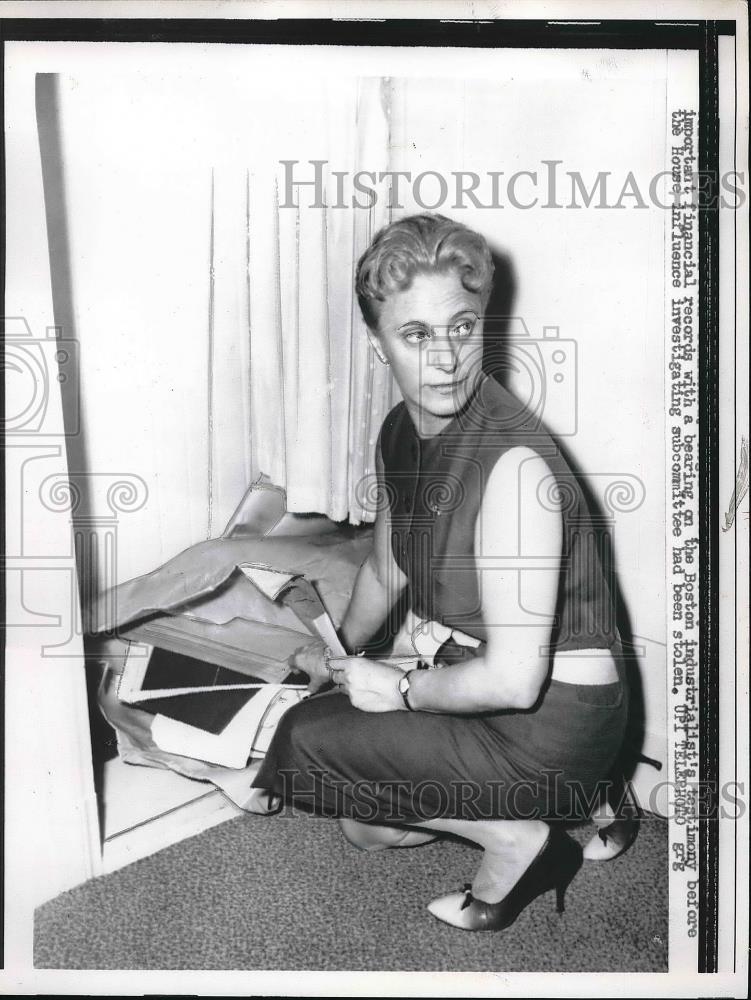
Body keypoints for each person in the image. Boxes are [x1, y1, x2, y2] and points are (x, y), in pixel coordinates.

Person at [250, 213, 632, 931]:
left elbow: (515, 682)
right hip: (479, 679)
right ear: (377, 343)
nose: (446, 358)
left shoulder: (513, 466)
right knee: (364, 827)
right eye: (416, 335)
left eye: (461, 327)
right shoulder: (403, 429)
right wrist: (338, 653)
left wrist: (397, 688)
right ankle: (574, 806)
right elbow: (390, 567)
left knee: (305, 742)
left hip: (549, 720)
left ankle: (524, 839)